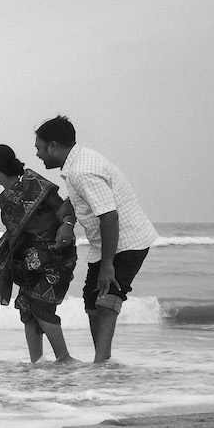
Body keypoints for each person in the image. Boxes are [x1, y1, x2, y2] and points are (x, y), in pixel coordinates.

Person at [34, 115, 157, 363]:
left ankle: (101, 364)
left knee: (106, 300)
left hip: (127, 240)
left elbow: (109, 215)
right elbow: (83, 200)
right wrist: (68, 221)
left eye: (39, 148)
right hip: (105, 243)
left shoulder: (82, 171)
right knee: (91, 302)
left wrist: (108, 265)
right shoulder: (77, 163)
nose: (37, 155)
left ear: (53, 146)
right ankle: (103, 363)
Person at [0, 144, 78, 363]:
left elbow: (65, 209)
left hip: (55, 257)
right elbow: (16, 232)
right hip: (27, 263)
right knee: (27, 309)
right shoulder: (4, 199)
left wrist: (68, 224)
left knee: (41, 306)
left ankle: (64, 358)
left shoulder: (35, 184)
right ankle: (37, 362)